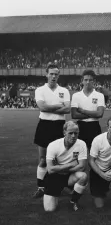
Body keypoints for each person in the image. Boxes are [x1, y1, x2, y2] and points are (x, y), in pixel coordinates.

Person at [33, 62, 70, 198]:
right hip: (44, 125)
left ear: (58, 75)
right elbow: (42, 108)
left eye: (56, 74)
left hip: (60, 126)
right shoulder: (40, 90)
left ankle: (58, 185)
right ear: (46, 74)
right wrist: (58, 106)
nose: (53, 76)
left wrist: (50, 106)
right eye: (51, 73)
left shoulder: (64, 91)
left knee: (59, 159)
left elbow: (67, 109)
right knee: (43, 159)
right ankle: (41, 187)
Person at [43, 121, 88, 212]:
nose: (73, 136)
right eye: (70, 133)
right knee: (49, 209)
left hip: (69, 176)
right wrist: (70, 165)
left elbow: (82, 166)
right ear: (64, 132)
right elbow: (50, 170)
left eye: (76, 133)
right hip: (54, 177)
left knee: (83, 176)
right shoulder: (53, 145)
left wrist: (60, 168)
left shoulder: (81, 144)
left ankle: (73, 201)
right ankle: (63, 189)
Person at [71, 69, 105, 149]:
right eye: (85, 80)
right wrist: (93, 114)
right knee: (80, 152)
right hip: (80, 126)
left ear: (94, 81)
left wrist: (83, 111)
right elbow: (74, 115)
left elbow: (100, 114)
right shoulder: (76, 95)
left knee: (95, 153)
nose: (88, 82)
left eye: (90, 80)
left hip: (94, 126)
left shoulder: (99, 95)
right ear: (82, 81)